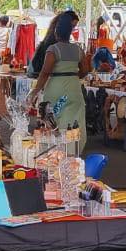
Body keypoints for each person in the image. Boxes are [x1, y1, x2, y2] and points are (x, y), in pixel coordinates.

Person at [28, 11, 90, 151]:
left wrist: (34, 92)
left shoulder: (53, 49)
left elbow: (44, 73)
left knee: (56, 119)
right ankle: (73, 151)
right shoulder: (78, 50)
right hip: (74, 90)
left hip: (56, 90)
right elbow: (85, 70)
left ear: (56, 32)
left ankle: (57, 153)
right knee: (76, 121)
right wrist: (73, 76)